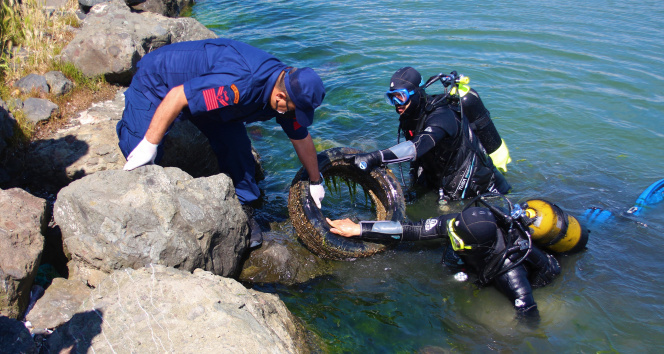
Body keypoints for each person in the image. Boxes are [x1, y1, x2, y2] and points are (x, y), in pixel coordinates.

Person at [116, 38, 327, 248]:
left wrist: (315, 181)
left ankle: (244, 207)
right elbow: (177, 96)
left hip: (218, 104)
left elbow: (300, 137)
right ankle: (131, 126)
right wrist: (150, 143)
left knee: (238, 152)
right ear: (280, 96)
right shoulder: (241, 83)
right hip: (158, 81)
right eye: (292, 110)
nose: (291, 115)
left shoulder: (287, 87)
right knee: (139, 153)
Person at [326, 195, 563, 322]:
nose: (451, 241)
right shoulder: (459, 222)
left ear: (477, 246)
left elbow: (530, 318)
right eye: (451, 234)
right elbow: (413, 229)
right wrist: (360, 229)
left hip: (537, 274)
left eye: (457, 241)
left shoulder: (510, 274)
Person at [344, 67, 511, 202]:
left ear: (416, 94)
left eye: (400, 97)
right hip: (441, 179)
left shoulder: (442, 116)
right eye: (392, 98)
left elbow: (416, 147)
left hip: (483, 190)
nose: (396, 104)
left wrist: (375, 157)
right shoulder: (410, 116)